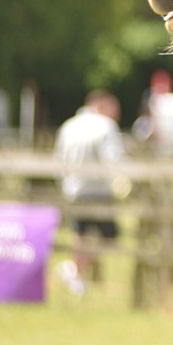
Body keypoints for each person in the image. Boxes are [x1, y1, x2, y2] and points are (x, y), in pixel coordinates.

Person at [55, 90, 125, 283]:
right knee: (110, 239)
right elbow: (114, 159)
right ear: (102, 106)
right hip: (99, 190)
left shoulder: (68, 126)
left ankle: (76, 270)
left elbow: (58, 159)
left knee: (79, 235)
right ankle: (77, 269)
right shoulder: (105, 126)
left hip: (74, 189)